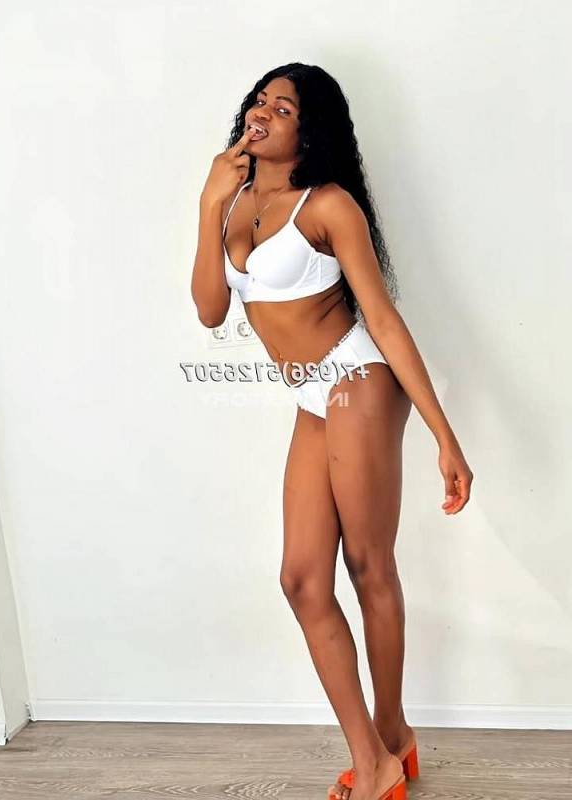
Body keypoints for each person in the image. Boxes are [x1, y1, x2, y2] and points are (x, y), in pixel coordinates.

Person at [191, 62, 473, 800]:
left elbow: (380, 317)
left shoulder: (328, 205)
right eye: (259, 100)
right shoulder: (232, 199)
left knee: (367, 565)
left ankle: (389, 738)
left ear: (309, 130)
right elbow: (211, 311)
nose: (262, 113)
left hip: (358, 378)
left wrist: (443, 436)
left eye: (282, 108)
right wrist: (207, 202)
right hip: (311, 397)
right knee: (301, 579)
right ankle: (379, 754)